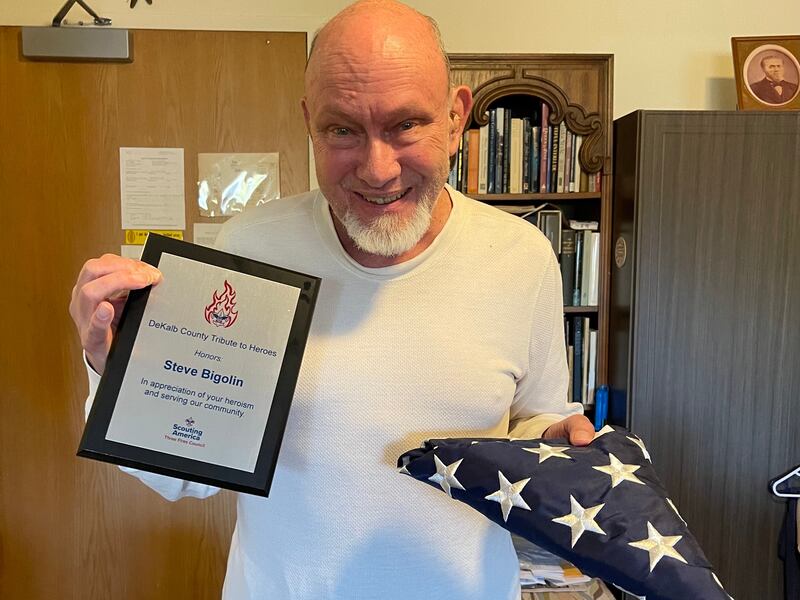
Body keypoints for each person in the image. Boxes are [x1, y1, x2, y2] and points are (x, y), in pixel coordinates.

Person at [69, 1, 595, 598]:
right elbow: (181, 474)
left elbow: (537, 419)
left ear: (456, 117)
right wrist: (118, 375)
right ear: (308, 122)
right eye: (342, 129)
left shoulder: (521, 258)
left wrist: (558, 444)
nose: (377, 169)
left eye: (405, 125)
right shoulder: (252, 248)